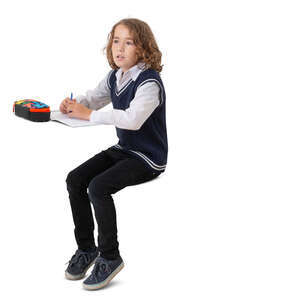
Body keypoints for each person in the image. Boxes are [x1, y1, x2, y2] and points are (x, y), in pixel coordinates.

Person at [62, 18, 168, 290]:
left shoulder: (149, 83)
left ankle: (110, 256)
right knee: (75, 179)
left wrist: (91, 115)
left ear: (143, 48)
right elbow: (94, 98)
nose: (119, 48)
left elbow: (132, 119)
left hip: (147, 157)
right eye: (115, 41)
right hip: (124, 149)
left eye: (128, 42)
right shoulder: (115, 76)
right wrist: (75, 105)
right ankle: (87, 248)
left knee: (98, 187)